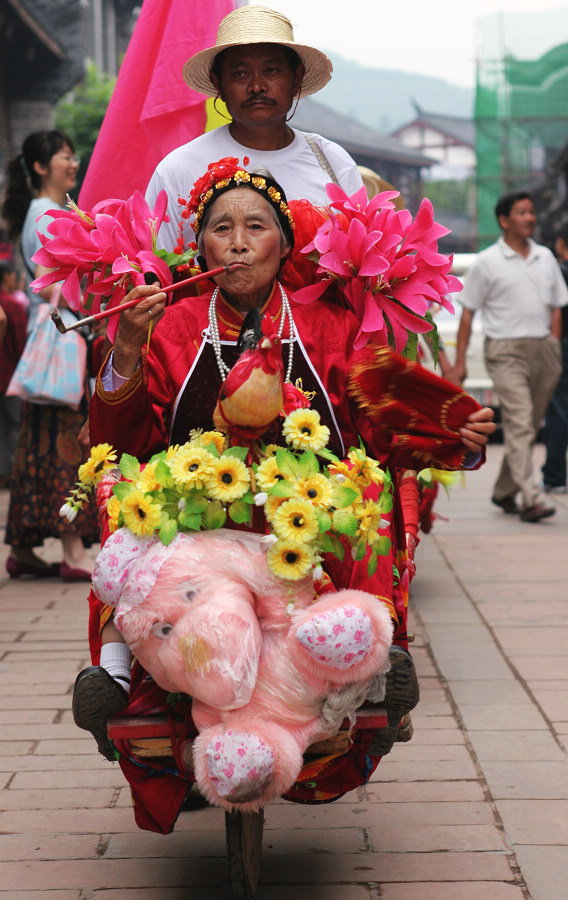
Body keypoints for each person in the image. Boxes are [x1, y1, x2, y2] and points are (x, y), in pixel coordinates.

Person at [73, 160, 494, 830]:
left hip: (308, 524)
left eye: (256, 227)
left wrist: (451, 428)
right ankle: (116, 680)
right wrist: (125, 350)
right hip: (190, 521)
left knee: (376, 490)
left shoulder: (329, 325)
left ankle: (379, 662)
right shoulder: (173, 326)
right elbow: (124, 436)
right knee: (118, 488)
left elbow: (378, 416)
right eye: (221, 229)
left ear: (284, 245)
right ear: (199, 247)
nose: (238, 242)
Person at [145, 4, 364, 251]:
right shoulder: (178, 170)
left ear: (296, 79)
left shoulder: (333, 163)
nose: (257, 86)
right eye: (240, 73)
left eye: (271, 71)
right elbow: (157, 272)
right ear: (219, 85)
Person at [1, 130, 99, 579]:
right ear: (41, 167)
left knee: (38, 438)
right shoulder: (47, 213)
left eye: (72, 154)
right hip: (63, 333)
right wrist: (94, 304)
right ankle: (73, 550)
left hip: (48, 337)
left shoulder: (44, 210)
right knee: (67, 434)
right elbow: (51, 277)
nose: (73, 162)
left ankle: (22, 547)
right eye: (64, 156)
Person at [448, 191, 568, 523]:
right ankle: (532, 497)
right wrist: (459, 364)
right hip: (505, 352)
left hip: (544, 349)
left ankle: (503, 491)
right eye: (522, 213)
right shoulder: (487, 262)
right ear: (504, 220)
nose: (530, 218)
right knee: (520, 421)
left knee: (526, 426)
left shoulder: (545, 257)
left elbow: (557, 306)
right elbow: (468, 314)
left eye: (532, 212)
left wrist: (554, 346)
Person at [541, 223, 568, 493]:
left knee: (558, 412)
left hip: (562, 347)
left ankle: (555, 476)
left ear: (561, 243)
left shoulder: (557, 272)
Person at [0, 260, 28, 488]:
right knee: (16, 425)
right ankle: (16, 473)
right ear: (7, 277)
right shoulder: (12, 305)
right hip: (10, 377)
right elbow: (21, 345)